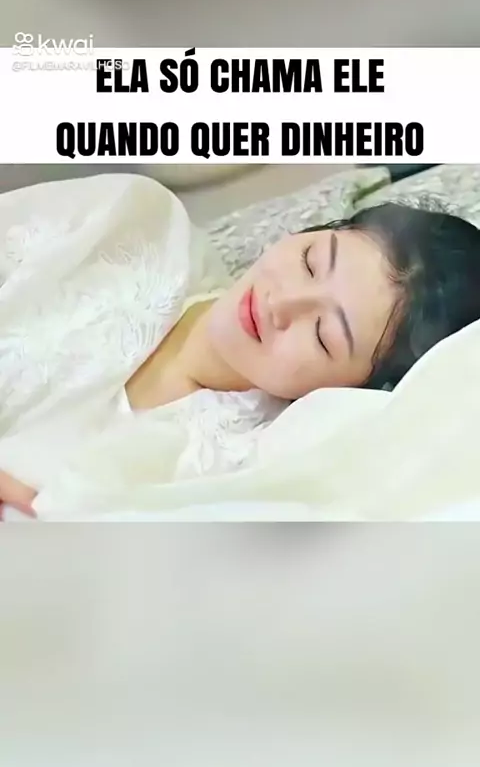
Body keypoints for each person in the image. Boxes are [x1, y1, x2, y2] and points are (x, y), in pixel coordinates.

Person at [1, 174, 480, 519]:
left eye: (322, 334)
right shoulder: (130, 222)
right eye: (311, 262)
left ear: (349, 388)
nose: (281, 304)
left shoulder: (246, 467)